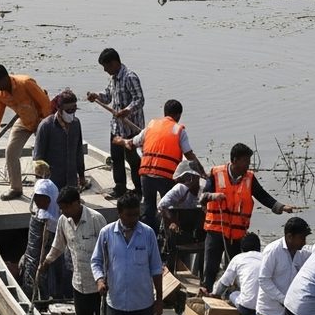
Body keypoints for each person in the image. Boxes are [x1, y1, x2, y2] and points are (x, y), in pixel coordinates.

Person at [90, 193, 163, 315]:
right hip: (116, 306)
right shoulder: (107, 234)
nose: (133, 219)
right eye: (129, 215)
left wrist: (159, 299)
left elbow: (156, 268)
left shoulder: (147, 233)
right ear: (120, 213)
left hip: (143, 305)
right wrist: (99, 280)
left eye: (136, 215)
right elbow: (96, 261)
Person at [201, 142, 297, 290]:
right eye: (245, 161)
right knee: (210, 268)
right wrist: (213, 196)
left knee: (234, 269)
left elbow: (262, 196)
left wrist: (281, 207)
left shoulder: (249, 179)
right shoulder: (216, 174)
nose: (248, 165)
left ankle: (230, 299)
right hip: (216, 230)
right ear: (234, 160)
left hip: (237, 234)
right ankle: (206, 293)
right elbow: (202, 197)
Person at [40, 186, 107, 315]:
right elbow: (58, 246)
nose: (63, 212)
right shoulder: (64, 221)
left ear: (77, 203)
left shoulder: (96, 220)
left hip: (100, 287)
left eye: (66, 207)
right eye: (61, 208)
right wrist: (46, 262)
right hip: (79, 286)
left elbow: (108, 250)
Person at [113, 99, 203, 229]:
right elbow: (189, 155)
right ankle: (168, 238)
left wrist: (120, 140)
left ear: (165, 112)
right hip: (166, 175)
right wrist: (202, 172)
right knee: (169, 208)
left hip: (146, 174)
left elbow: (132, 143)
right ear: (178, 115)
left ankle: (149, 236)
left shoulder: (151, 125)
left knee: (149, 207)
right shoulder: (179, 130)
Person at [0, 64, 52, 201]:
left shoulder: (25, 83)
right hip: (24, 121)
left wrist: (42, 125)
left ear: (5, 78)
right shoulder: (0, 95)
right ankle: (15, 188)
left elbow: (46, 104)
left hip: (43, 120)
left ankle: (44, 189)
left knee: (42, 156)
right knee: (11, 152)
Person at [255, 217, 312, 315]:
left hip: (290, 310)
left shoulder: (301, 252)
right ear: (289, 237)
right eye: (301, 237)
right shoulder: (273, 251)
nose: (304, 241)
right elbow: (264, 279)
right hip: (269, 309)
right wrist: (282, 299)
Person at [85, 49, 144, 201]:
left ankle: (139, 190)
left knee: (134, 161)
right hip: (117, 128)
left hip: (131, 128)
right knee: (116, 159)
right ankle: (120, 188)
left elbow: (139, 100)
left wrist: (126, 111)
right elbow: (108, 97)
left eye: (106, 66)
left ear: (114, 63)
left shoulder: (130, 77)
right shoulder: (113, 78)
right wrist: (96, 96)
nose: (105, 70)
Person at [203, 233, 263, 315]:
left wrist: (215, 294)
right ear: (259, 247)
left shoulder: (238, 258)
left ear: (242, 248)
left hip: (247, 309)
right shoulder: (265, 258)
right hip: (265, 309)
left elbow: (223, 283)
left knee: (232, 293)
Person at [22, 161, 62, 299]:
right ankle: (46, 294)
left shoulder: (42, 186)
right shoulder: (51, 185)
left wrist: (43, 220)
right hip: (51, 224)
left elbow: (42, 206)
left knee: (37, 260)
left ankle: (33, 294)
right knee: (45, 260)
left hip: (45, 225)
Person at [33, 89, 86, 190]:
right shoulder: (46, 126)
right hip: (52, 180)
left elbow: (79, 151)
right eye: (68, 111)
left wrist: (82, 175)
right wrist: (40, 183)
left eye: (74, 110)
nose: (71, 113)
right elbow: (38, 157)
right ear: (59, 108)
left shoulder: (76, 124)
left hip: (71, 181)